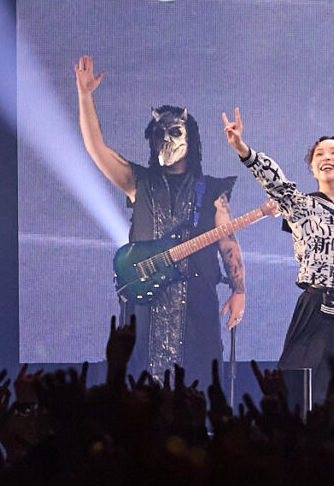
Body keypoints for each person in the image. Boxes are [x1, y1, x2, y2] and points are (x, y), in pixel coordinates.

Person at [73, 56, 247, 376]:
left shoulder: (211, 190)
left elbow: (228, 242)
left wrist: (239, 290)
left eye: (175, 132)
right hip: (146, 303)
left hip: (197, 306)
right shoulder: (138, 181)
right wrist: (85, 96)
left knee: (199, 381)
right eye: (159, 133)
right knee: (142, 384)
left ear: (190, 137)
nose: (166, 139)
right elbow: (96, 148)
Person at [222, 108, 334, 387]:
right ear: (313, 168)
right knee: (307, 387)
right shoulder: (302, 206)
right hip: (320, 307)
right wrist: (242, 148)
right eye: (319, 155)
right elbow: (275, 182)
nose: (326, 157)